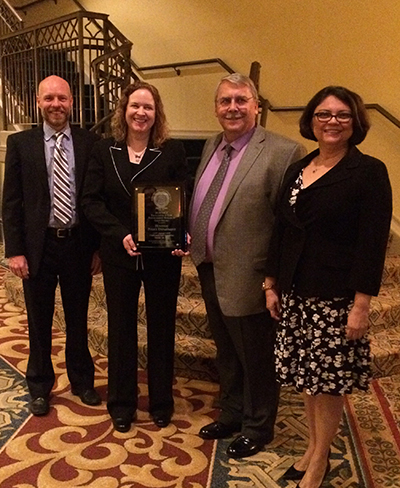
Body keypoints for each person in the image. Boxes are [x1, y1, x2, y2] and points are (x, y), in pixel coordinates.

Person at [264, 86, 392, 488]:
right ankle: (312, 447)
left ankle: (319, 459)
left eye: (341, 115)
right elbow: (282, 230)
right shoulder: (299, 168)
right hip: (297, 292)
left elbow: (373, 243)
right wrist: (272, 282)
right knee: (307, 377)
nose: (332, 122)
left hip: (336, 296)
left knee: (329, 382)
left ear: (355, 122)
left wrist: (361, 305)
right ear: (311, 121)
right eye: (323, 114)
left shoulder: (368, 171)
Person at [189, 73, 305, 458]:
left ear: (257, 105)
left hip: (251, 274)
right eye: (225, 101)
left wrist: (273, 278)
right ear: (216, 108)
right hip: (207, 265)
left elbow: (287, 226)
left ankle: (258, 425)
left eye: (241, 100)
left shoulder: (283, 151)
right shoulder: (211, 144)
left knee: (255, 355)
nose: (233, 108)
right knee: (225, 349)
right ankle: (234, 412)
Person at [82, 81, 188, 433]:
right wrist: (119, 233)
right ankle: (122, 404)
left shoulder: (170, 151)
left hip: (162, 257)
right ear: (123, 110)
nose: (141, 113)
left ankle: (161, 403)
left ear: (157, 114)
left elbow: (181, 199)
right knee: (121, 329)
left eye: (148, 107)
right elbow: (91, 202)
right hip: (119, 254)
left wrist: (182, 231)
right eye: (135, 106)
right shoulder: (104, 149)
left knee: (162, 328)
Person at [2, 75, 102, 416]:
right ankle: (40, 385)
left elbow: (97, 199)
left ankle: (82, 381)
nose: (55, 104)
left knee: (78, 318)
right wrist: (14, 250)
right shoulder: (21, 143)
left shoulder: (91, 143)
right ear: (39, 102)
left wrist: (98, 248)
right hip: (37, 247)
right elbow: (11, 201)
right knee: (38, 319)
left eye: (61, 98)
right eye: (49, 98)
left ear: (71, 102)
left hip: (78, 245)